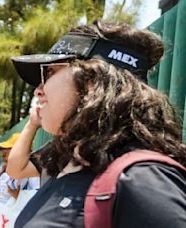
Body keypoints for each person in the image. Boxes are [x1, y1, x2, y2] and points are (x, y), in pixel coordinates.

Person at [11, 21, 186, 227]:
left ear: (92, 80)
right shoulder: (67, 164)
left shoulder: (142, 180)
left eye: (49, 73)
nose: (38, 90)